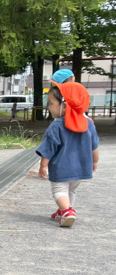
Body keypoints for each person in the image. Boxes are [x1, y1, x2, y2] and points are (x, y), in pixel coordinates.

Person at [37, 82, 99, 227]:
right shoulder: (88, 124)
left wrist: (43, 165)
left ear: (64, 106)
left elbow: (48, 148)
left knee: (59, 191)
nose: (49, 107)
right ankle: (63, 210)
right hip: (81, 168)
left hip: (61, 167)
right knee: (71, 190)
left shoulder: (56, 125)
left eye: (51, 103)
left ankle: (67, 211)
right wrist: (94, 161)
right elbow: (94, 146)